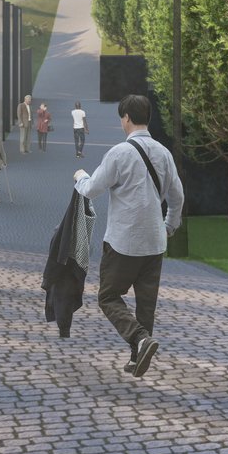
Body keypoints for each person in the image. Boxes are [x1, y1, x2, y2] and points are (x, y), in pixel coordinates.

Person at [72, 93, 182, 378]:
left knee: (108, 296)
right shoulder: (164, 153)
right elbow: (177, 197)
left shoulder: (119, 153)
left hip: (124, 241)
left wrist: (80, 176)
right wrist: (169, 227)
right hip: (155, 242)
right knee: (146, 304)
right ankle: (138, 357)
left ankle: (139, 339)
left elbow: (92, 188)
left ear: (127, 118)